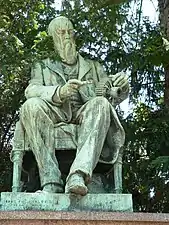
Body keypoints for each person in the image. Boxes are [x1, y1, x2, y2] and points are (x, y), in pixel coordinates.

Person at [16, 16, 129, 196]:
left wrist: (121, 87)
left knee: (101, 103)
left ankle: (78, 175)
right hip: (56, 112)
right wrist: (60, 92)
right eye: (61, 32)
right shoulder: (43, 66)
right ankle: (51, 181)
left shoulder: (93, 66)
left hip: (86, 113)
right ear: (53, 37)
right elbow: (32, 90)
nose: (67, 36)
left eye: (70, 31)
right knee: (31, 105)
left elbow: (111, 94)